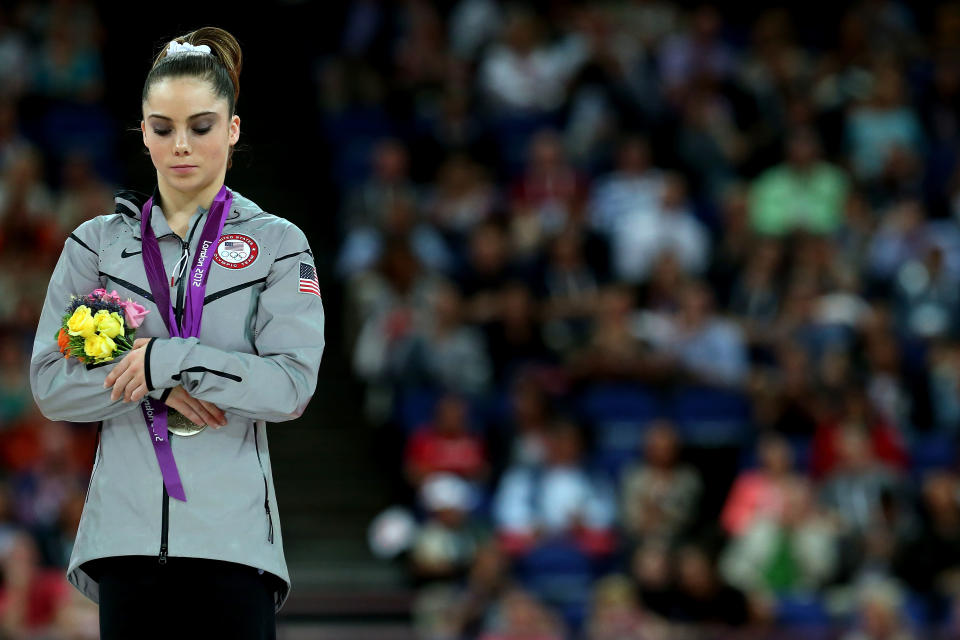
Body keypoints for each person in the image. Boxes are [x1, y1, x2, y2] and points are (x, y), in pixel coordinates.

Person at [28, 27, 325, 639]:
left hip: (236, 544)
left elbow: (291, 386)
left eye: (202, 126)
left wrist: (167, 358)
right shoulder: (97, 245)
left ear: (233, 129)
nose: (181, 145)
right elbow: (52, 387)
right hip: (126, 543)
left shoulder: (278, 244)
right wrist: (154, 384)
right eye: (162, 128)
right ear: (142, 132)